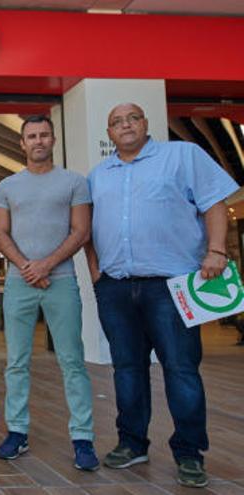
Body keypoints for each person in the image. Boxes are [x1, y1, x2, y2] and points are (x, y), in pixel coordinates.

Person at [86, 103, 238, 488]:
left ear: (145, 123)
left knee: (181, 369)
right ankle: (132, 441)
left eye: (132, 118)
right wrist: (95, 273)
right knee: (127, 369)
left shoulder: (182, 155)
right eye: (116, 121)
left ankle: (189, 452)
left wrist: (216, 250)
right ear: (109, 132)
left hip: (171, 286)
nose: (125, 126)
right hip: (117, 286)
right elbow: (86, 227)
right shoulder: (99, 174)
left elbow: (214, 204)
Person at [0, 115, 98, 470]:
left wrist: (46, 264)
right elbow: (1, 234)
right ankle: (17, 431)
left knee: (72, 360)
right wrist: (27, 266)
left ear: (53, 140)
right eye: (31, 136)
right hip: (19, 283)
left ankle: (83, 438)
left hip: (62, 280)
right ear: (21, 143)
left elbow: (81, 231)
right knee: (16, 362)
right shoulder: (7, 186)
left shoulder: (74, 182)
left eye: (44, 135)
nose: (38, 141)